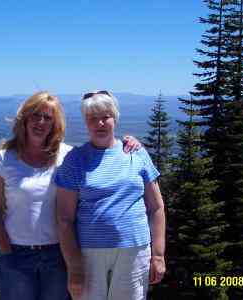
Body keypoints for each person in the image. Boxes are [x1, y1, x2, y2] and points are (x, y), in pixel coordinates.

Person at [0, 91, 141, 300]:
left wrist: (129, 142)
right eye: (35, 115)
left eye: (48, 118)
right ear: (25, 119)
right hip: (16, 254)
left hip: (59, 256)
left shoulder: (68, 156)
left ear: (55, 123)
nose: (41, 122)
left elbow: (102, 152)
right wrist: (6, 251)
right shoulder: (4, 159)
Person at [55, 90, 166, 300]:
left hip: (134, 250)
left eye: (105, 116)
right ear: (85, 122)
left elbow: (156, 207)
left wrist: (158, 255)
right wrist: (74, 267)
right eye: (93, 118)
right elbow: (64, 219)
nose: (100, 123)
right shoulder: (75, 160)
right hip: (89, 253)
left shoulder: (136, 153)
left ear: (114, 117)